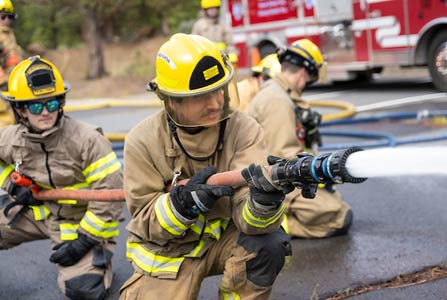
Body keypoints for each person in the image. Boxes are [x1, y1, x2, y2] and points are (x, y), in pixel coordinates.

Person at [119, 33, 291, 300]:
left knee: (269, 244)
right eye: (201, 97)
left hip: (226, 242)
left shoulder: (243, 129)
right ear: (171, 100)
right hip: (169, 255)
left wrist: (263, 202)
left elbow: (252, 223)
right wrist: (181, 206)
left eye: (218, 91)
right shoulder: (142, 141)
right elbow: (143, 221)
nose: (215, 104)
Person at [0, 56, 123, 300]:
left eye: (52, 104)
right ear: (21, 109)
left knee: (83, 289)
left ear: (61, 102)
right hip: (37, 214)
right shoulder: (11, 139)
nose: (45, 112)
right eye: (36, 106)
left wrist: (84, 242)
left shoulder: (87, 141)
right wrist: (11, 183)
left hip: (80, 223)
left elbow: (109, 198)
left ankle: (99, 262)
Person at [247, 39, 354, 238]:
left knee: (335, 203)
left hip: (275, 177)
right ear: (304, 73)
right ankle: (276, 225)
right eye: (309, 78)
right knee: (338, 216)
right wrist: (321, 171)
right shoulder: (277, 101)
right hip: (269, 182)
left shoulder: (280, 94)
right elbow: (282, 155)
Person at [191, 0, 239, 67]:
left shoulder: (224, 24)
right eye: (210, 9)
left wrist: (232, 54)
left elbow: (230, 44)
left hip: (222, 59)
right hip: (205, 60)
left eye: (214, 8)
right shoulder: (198, 25)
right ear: (205, 10)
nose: (213, 11)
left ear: (218, 9)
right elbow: (194, 45)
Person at [0, 0, 23, 126]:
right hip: (3, 87)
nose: (7, 20)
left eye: (10, 17)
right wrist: (3, 81)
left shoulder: (9, 35)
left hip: (13, 85)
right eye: (2, 17)